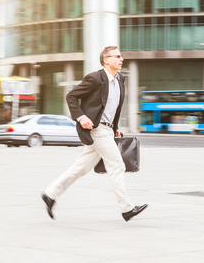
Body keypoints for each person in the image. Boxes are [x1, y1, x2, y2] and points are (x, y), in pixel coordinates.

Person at [41, 46, 148, 222]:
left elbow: (113, 106)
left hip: (107, 129)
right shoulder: (95, 78)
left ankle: (50, 194)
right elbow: (71, 97)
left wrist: (114, 127)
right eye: (118, 56)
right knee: (117, 165)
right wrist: (81, 117)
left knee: (81, 168)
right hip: (96, 129)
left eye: (121, 57)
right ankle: (126, 209)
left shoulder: (120, 79)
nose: (122, 59)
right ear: (106, 60)